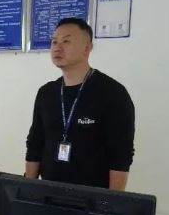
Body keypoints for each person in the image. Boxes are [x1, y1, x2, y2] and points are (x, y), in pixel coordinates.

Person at [25, 17, 135, 190]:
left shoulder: (112, 93)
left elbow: (120, 155)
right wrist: (27, 190)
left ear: (87, 48)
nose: (57, 47)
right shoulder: (46, 93)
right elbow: (35, 144)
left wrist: (111, 201)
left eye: (66, 41)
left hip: (91, 196)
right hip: (48, 192)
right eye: (54, 42)